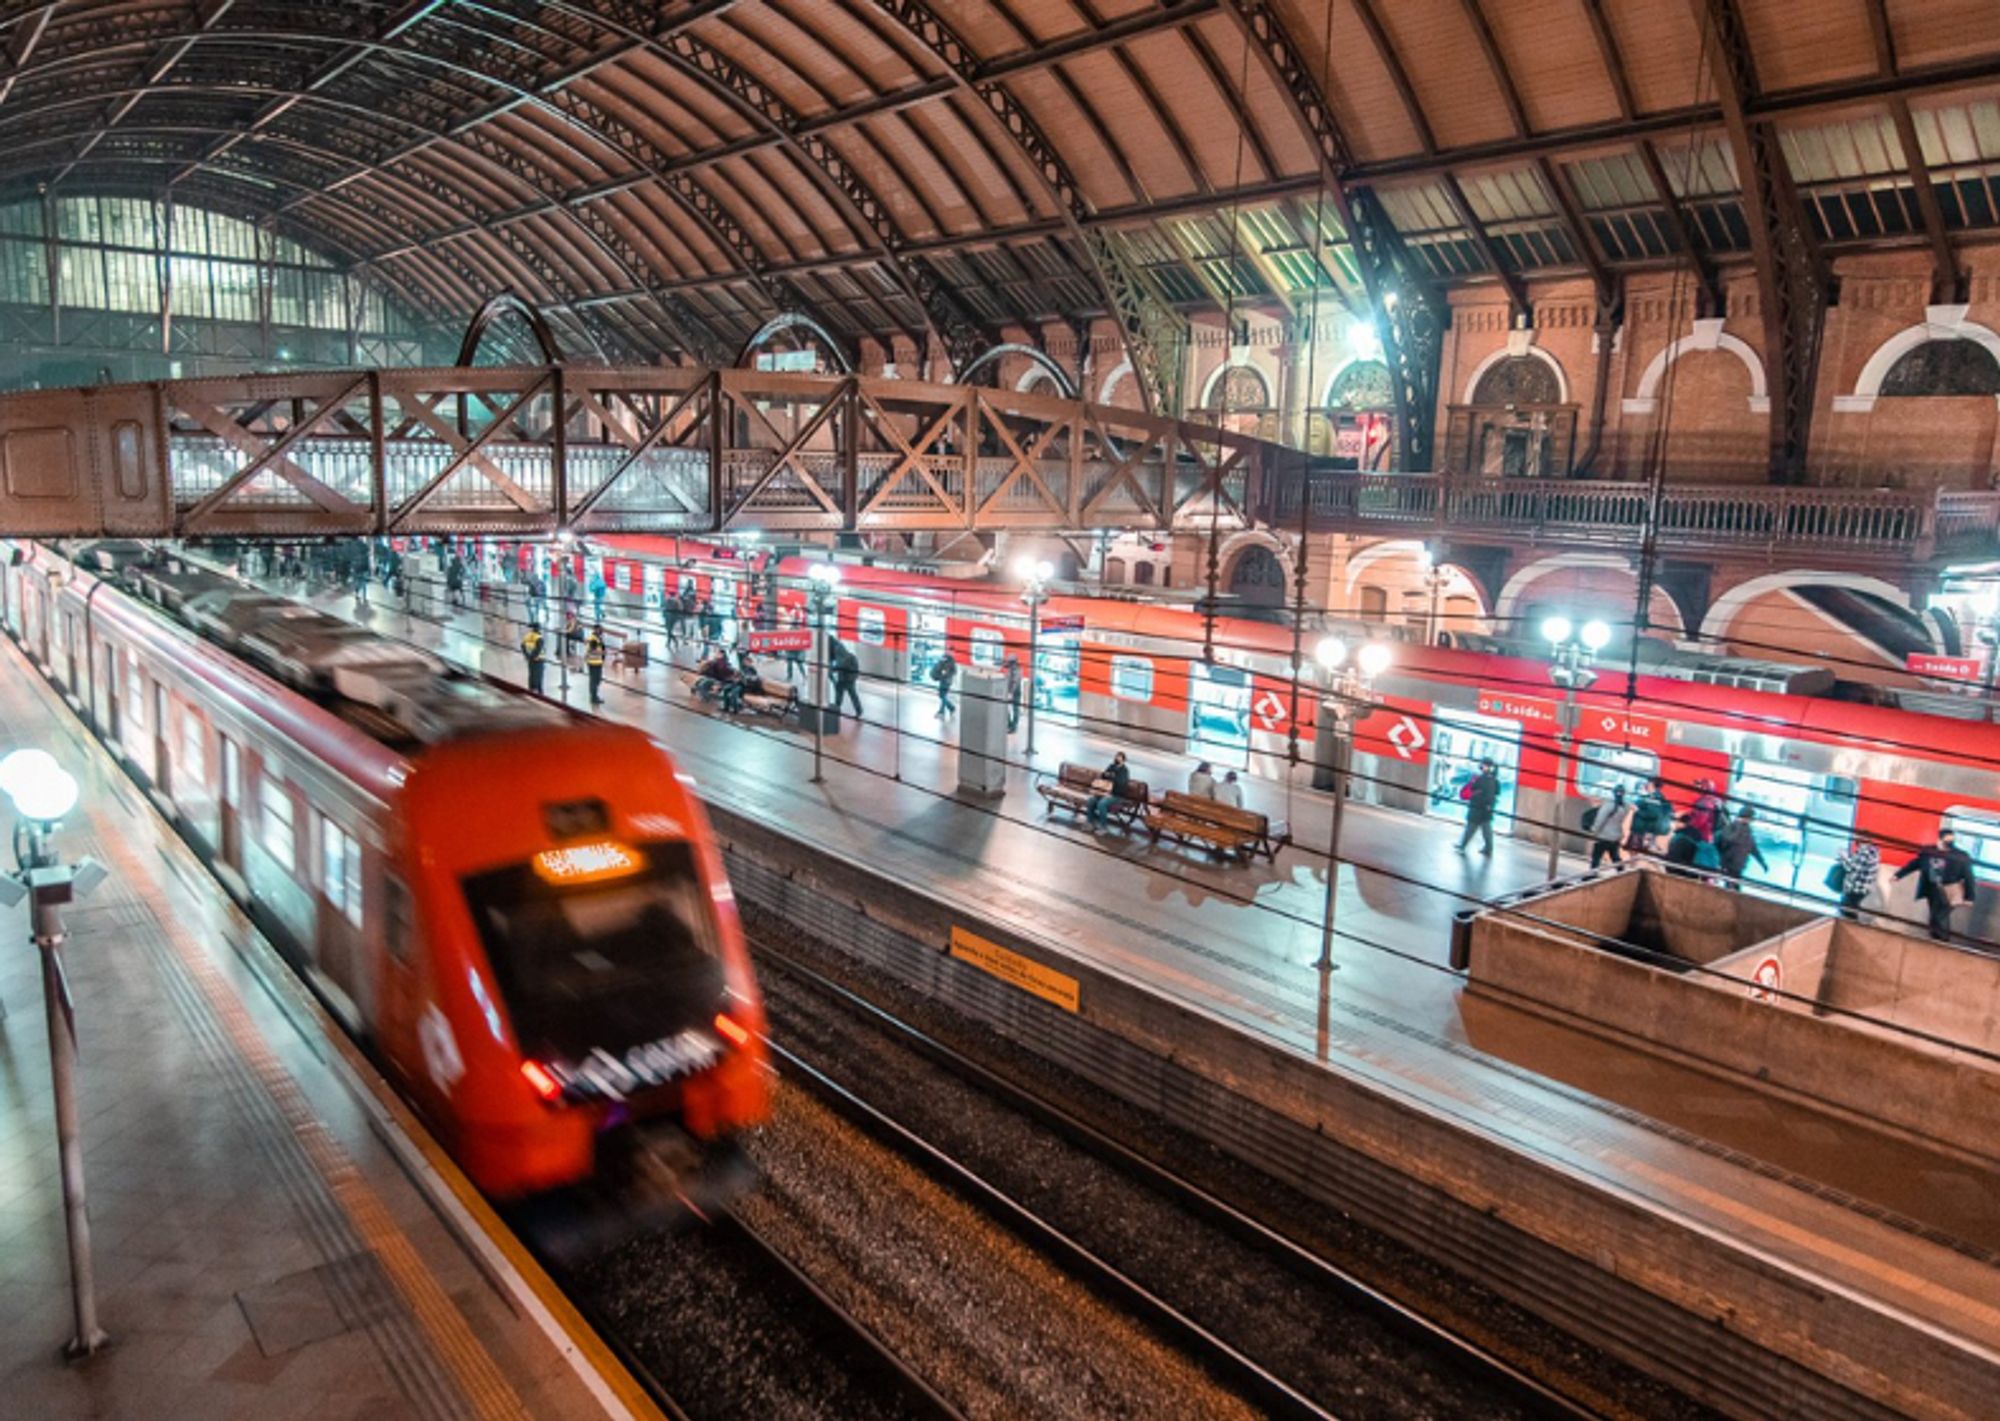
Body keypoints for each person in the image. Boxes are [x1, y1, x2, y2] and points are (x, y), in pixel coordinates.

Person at [1895, 829, 1977, 942]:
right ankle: (1936, 938)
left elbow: (1969, 877)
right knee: (1936, 915)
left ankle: (1941, 939)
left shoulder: (1961, 856)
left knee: (1940, 915)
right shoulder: (1929, 852)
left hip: (1950, 889)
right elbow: (1915, 864)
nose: (1949, 845)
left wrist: (1970, 897)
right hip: (1932, 888)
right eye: (1946, 842)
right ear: (1939, 839)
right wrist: (1898, 875)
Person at [1714, 806, 1769, 889]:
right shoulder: (1731, 827)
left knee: (1733, 887)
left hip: (1737, 865)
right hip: (1729, 864)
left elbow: (1753, 848)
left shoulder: (1747, 831)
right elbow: (1729, 839)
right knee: (1732, 888)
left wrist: (1762, 863)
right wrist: (1739, 827)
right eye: (1751, 818)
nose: (1751, 821)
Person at [1456, 757, 1501, 855]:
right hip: (1487, 808)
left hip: (1478, 807)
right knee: (1486, 829)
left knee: (1472, 827)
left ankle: (1463, 845)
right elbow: (1497, 792)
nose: (1481, 766)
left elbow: (1473, 788)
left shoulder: (1482, 779)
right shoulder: (1494, 779)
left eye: (1483, 765)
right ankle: (1488, 848)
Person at [1833, 840, 1880, 920]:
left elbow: (1852, 868)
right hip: (1860, 888)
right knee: (1848, 912)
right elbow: (1857, 865)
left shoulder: (1865, 852)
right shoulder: (1872, 851)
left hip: (1856, 888)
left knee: (1846, 914)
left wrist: (1843, 856)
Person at [1587, 785, 1631, 869]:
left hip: (1604, 835)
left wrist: (1594, 830)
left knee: (1596, 857)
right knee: (1615, 857)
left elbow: (1600, 819)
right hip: (1616, 836)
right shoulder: (1625, 807)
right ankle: (1622, 873)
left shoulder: (1609, 805)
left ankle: (1591, 875)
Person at [1628, 776, 1675, 855]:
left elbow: (1653, 814)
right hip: (1644, 830)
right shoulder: (1656, 797)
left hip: (1642, 830)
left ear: (1652, 784)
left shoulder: (1655, 798)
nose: (1646, 785)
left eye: (1648, 783)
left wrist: (1637, 810)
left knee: (1635, 853)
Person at [1087, 752, 1131, 830]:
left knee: (1102, 804)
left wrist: (1111, 776)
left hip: (1116, 795)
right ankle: (1090, 822)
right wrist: (1109, 776)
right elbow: (1103, 776)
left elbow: (1121, 783)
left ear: (1123, 760)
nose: (1117, 759)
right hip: (1104, 792)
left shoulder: (1124, 771)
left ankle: (1103, 827)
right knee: (1091, 800)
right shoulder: (1111, 766)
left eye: (1119, 758)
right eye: (1116, 757)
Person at [829, 637, 863, 718]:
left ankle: (837, 709)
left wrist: (833, 669)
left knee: (841, 691)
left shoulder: (837, 648)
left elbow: (841, 662)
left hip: (846, 675)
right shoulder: (837, 645)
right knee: (851, 693)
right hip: (850, 673)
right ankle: (859, 710)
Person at [1686, 778, 1724, 842]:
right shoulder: (1716, 800)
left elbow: (1700, 821)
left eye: (1699, 786)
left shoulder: (1704, 802)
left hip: (1702, 835)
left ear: (1704, 788)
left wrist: (1687, 825)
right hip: (1711, 835)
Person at [585, 624, 607, 706]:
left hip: (597, 662)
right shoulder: (593, 639)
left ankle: (594, 696)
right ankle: (594, 697)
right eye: (600, 629)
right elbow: (592, 650)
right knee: (595, 680)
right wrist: (603, 652)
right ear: (595, 630)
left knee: (596, 680)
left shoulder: (597, 638)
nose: (601, 631)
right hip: (593, 662)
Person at [931, 649, 958, 717]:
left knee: (942, 695)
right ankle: (951, 708)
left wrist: (946, 674)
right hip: (943, 679)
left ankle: (942, 712)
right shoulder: (944, 658)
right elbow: (938, 667)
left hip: (947, 681)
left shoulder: (951, 661)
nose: (950, 653)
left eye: (951, 651)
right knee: (942, 695)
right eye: (949, 651)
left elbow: (954, 671)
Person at [521, 624, 546, 695]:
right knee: (539, 675)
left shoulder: (528, 636)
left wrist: (527, 655)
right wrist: (534, 656)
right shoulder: (539, 638)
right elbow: (539, 649)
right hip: (539, 659)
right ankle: (539, 691)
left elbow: (522, 646)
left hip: (530, 659)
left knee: (531, 673)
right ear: (538, 629)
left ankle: (531, 689)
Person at [1004, 654, 1024, 732]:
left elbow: (1015, 682)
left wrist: (1011, 693)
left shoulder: (1017, 670)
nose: (1008, 664)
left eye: (1010, 663)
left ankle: (1013, 727)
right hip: (1010, 691)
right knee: (1006, 708)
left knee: (1015, 709)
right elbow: (1005, 666)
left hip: (1015, 692)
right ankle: (1009, 724)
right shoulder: (1012, 668)